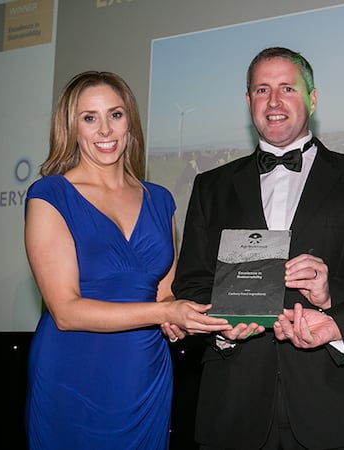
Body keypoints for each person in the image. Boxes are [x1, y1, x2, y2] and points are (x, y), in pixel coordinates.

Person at [168, 47, 344, 450]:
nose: (274, 101)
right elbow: (192, 285)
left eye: (287, 88)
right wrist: (223, 329)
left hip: (340, 407)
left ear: (313, 99)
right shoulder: (210, 187)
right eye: (262, 90)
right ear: (248, 102)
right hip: (233, 409)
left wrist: (333, 293)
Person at [23, 70, 231, 449]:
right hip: (73, 373)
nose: (105, 130)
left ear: (129, 121)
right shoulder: (50, 195)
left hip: (143, 374)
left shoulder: (160, 199)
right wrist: (165, 314)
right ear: (71, 127)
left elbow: (165, 295)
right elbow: (66, 312)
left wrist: (192, 317)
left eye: (115, 115)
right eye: (90, 118)